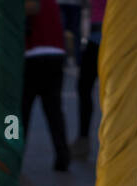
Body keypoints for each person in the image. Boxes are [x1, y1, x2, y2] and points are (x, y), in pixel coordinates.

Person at [23, 0, 70, 170]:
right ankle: (63, 155)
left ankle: (14, 154)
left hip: (31, 55)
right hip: (56, 52)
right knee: (54, 111)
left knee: (19, 113)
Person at [72, 0, 104, 157]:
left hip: (105, 37)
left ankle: (84, 139)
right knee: (84, 88)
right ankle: (83, 139)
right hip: (97, 37)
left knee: (86, 88)